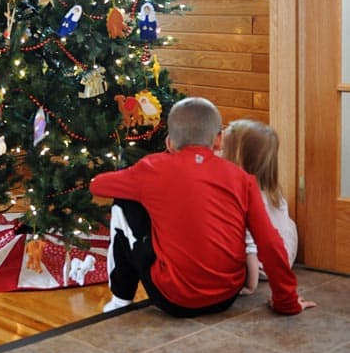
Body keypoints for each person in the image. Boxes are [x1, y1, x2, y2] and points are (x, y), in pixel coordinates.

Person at [89, 97, 315, 316]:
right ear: (218, 140)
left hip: (174, 300)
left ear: (169, 142)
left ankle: (120, 299)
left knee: (124, 200)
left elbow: (98, 186)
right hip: (226, 297)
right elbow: (269, 241)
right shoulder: (242, 178)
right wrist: (286, 301)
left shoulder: (152, 168)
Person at [222, 119, 298, 278]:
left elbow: (247, 238)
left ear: (237, 157)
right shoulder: (273, 191)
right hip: (283, 257)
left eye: (223, 149)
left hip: (256, 265)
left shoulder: (242, 194)